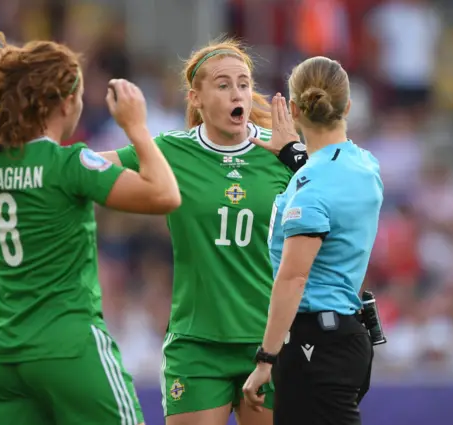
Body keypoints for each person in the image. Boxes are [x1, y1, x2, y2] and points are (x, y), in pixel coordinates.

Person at [0, 31, 181, 425]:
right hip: (70, 349)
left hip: (5, 358)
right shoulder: (69, 164)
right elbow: (165, 195)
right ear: (67, 103)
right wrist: (136, 128)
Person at [101, 39, 298, 425]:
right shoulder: (173, 151)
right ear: (197, 97)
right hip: (197, 345)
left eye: (243, 83)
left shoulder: (281, 153)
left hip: (270, 342)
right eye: (223, 85)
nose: (236, 93)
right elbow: (85, 166)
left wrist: (298, 156)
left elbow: (340, 201)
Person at [243, 56, 384, 425]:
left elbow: (293, 277)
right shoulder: (367, 166)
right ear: (347, 106)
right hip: (349, 338)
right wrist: (294, 154)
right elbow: (330, 174)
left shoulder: (310, 190)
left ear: (293, 109)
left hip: (313, 343)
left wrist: (265, 359)